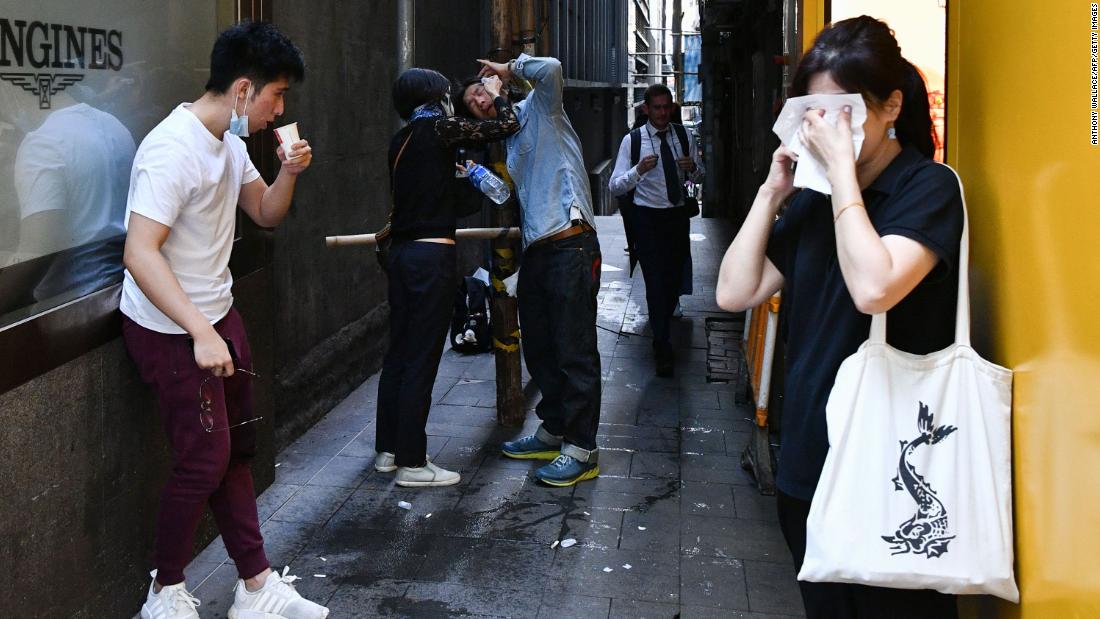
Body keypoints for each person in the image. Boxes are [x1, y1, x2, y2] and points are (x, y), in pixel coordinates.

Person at [715, 16, 962, 619]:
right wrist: (773, 192)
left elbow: (874, 287)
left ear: (890, 106)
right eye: (813, 114)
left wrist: (844, 180)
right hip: (810, 465)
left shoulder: (927, 190)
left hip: (894, 475)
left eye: (843, 112)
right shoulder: (816, 200)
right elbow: (734, 291)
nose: (825, 130)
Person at [120, 21, 328, 619]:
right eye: (276, 96)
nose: (279, 110)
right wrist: (201, 332)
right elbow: (140, 253)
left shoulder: (229, 146)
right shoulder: (171, 148)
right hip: (169, 328)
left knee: (237, 449)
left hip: (217, 313)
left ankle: (257, 586)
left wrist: (289, 172)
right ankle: (164, 593)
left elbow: (264, 213)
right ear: (243, 90)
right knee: (203, 460)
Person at [458, 54, 602, 487]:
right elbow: (508, 196)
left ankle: (582, 447)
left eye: (480, 90)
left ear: (495, 85)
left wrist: (510, 68)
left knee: (573, 348)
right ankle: (554, 428)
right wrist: (478, 176)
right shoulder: (508, 138)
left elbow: (554, 68)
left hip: (570, 241)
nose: (480, 100)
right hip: (537, 249)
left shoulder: (541, 107)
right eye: (472, 102)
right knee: (540, 345)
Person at [374, 68, 519, 487]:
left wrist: (467, 174)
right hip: (430, 256)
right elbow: (505, 125)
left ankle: (388, 449)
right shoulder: (438, 127)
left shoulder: (400, 141)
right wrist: (498, 93)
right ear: (436, 96)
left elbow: (455, 202)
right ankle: (413, 464)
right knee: (421, 356)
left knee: (399, 354)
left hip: (401, 256)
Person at [609, 83, 704, 376]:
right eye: (657, 108)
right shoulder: (633, 141)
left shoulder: (683, 135)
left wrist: (693, 168)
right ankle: (661, 345)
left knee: (673, 278)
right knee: (655, 281)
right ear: (646, 109)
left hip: (676, 218)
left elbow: (701, 173)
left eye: (667, 107)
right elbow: (615, 185)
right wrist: (639, 170)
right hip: (647, 219)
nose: (662, 113)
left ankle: (664, 321)